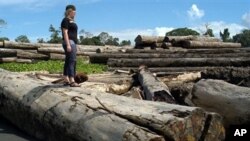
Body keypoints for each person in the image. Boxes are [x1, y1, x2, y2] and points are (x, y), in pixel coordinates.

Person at [61, 4, 80, 87]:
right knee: (72, 60)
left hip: (73, 43)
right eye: (74, 11)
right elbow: (65, 33)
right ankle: (72, 81)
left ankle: (66, 79)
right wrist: (68, 44)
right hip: (69, 42)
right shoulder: (65, 20)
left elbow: (74, 34)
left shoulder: (72, 21)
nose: (75, 13)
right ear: (70, 11)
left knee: (68, 61)